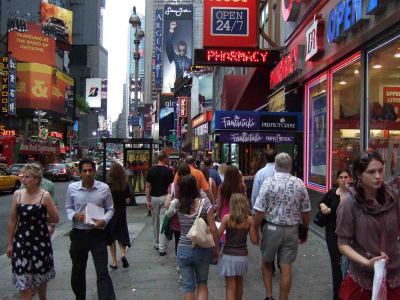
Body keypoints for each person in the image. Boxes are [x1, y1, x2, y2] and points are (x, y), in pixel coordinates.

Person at [336, 151, 400, 299]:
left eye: (380, 170)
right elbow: (343, 244)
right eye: (371, 172)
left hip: (394, 278)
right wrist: (367, 262)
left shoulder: (393, 196)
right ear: (359, 174)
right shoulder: (349, 203)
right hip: (363, 281)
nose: (378, 176)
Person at [253, 153, 311, 300]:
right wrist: (305, 229)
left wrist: (255, 229)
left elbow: (259, 210)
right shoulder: (299, 183)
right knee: (286, 266)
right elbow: (306, 210)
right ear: (290, 166)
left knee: (266, 262)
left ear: (276, 166)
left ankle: (269, 295)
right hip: (291, 229)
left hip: (271, 228)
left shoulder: (268, 182)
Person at [7, 163, 59, 299]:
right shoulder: (17, 194)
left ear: (37, 179)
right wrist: (10, 244)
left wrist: (44, 220)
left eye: (27, 177)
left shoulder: (45, 196)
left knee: (41, 278)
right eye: (22, 177)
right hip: (21, 243)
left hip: (40, 242)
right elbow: (12, 220)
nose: (23, 180)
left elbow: (55, 217)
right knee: (23, 281)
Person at [65, 158, 115, 300]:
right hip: (79, 234)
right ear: (80, 173)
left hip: (97, 234)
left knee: (102, 271)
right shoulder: (72, 188)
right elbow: (68, 208)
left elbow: (110, 209)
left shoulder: (104, 188)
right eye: (84, 171)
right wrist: (75, 215)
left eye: (90, 170)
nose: (87, 173)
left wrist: (103, 220)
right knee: (78, 271)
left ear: (94, 171)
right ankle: (80, 297)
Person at [176, 175, 219, 300]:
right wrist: (217, 248)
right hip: (201, 248)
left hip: (183, 248)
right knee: (202, 283)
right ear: (195, 187)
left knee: (188, 287)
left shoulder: (178, 204)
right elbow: (213, 228)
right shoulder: (205, 204)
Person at [318, 169, 351, 300]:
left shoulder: (352, 195)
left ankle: (348, 291)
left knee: (348, 264)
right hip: (332, 233)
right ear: (337, 180)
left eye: (346, 177)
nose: (343, 180)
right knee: (336, 263)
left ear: (350, 179)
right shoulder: (332, 193)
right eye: (341, 177)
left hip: (348, 235)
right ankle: (337, 295)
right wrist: (323, 207)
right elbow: (320, 202)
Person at [217, 193, 258, 300]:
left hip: (228, 255)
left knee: (230, 287)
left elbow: (217, 236)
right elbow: (254, 240)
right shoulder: (249, 220)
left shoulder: (227, 218)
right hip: (242, 256)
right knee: (239, 283)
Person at [165, 163, 191, 283]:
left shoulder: (173, 186)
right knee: (190, 242)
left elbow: (166, 205)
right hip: (191, 218)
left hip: (177, 220)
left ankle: (180, 267)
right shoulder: (193, 185)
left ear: (178, 174)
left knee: (178, 243)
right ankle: (188, 267)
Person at [146, 150, 174, 256]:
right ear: (165, 159)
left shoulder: (151, 170)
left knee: (155, 222)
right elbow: (171, 187)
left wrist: (148, 200)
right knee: (163, 222)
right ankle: (162, 248)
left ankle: (156, 243)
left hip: (153, 198)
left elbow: (148, 186)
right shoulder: (169, 171)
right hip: (165, 197)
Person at [20, 161, 58, 235]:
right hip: (25, 225)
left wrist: (52, 225)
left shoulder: (49, 185)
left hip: (43, 226)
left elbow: (55, 206)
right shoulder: (23, 186)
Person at [107, 163, 132, 269]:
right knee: (122, 233)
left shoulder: (108, 184)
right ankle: (122, 254)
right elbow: (127, 199)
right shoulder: (125, 183)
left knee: (111, 237)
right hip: (121, 211)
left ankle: (114, 262)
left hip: (111, 212)